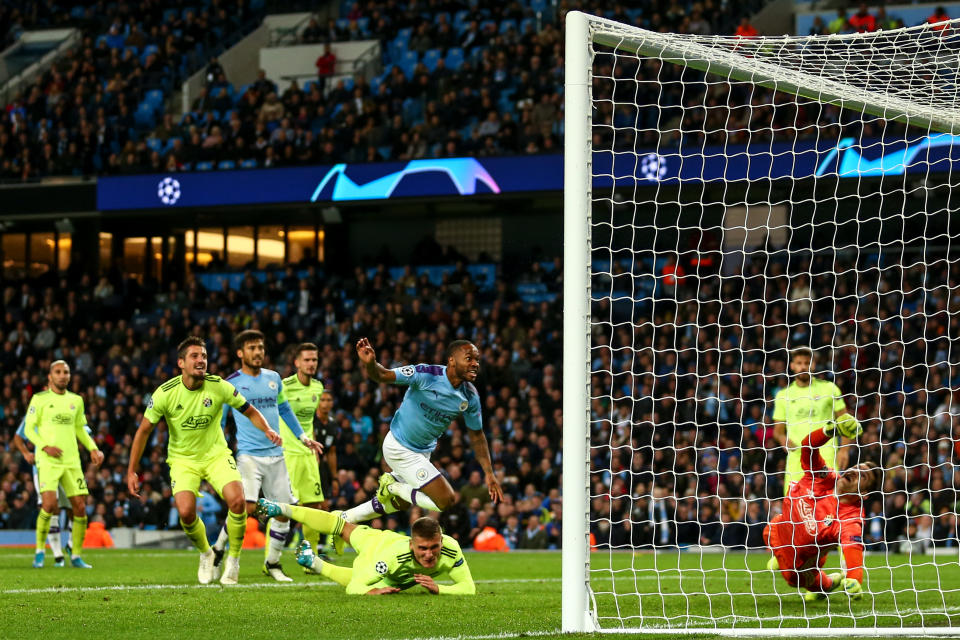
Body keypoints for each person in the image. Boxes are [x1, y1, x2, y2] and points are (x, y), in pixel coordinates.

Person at [127, 336, 282, 585]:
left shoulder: (219, 385)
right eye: (195, 356)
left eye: (204, 356)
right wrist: (132, 471)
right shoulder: (165, 393)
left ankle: (233, 559)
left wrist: (267, 430)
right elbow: (143, 430)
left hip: (216, 455)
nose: (201, 360)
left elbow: (250, 410)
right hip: (183, 460)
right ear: (181, 363)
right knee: (186, 513)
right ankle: (206, 553)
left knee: (238, 501)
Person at [342, 338, 503, 526]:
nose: (475, 364)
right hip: (399, 446)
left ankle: (345, 518)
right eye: (469, 359)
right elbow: (383, 375)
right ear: (451, 360)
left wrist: (489, 473)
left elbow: (477, 435)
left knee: (398, 503)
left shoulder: (470, 397)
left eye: (477, 360)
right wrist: (370, 364)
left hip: (423, 452)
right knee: (446, 500)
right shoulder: (426, 374)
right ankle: (392, 486)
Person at [211, 330, 322, 581]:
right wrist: (219, 449)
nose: (258, 352)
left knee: (283, 511)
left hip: (277, 455)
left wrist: (303, 437)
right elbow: (220, 419)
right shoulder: (231, 383)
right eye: (252, 348)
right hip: (249, 456)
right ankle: (219, 548)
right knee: (246, 508)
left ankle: (272, 563)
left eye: (260, 347)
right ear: (240, 353)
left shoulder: (274, 378)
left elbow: (284, 408)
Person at [256, 498, 476, 595]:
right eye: (422, 549)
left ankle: (312, 561)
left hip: (388, 552)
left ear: (441, 539)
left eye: (434, 547)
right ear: (412, 545)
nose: (429, 554)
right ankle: (282, 509)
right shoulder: (389, 558)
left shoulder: (451, 549)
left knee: (341, 525)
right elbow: (355, 588)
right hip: (377, 546)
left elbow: (468, 587)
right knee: (341, 527)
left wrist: (440, 589)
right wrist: (373, 591)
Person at [764, 419, 880, 601]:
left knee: (794, 579)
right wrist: (828, 431)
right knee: (770, 528)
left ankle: (828, 583)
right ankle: (780, 556)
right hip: (779, 531)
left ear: (863, 493)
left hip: (802, 562)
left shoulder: (850, 518)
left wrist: (854, 578)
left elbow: (852, 548)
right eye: (857, 467)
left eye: (862, 476)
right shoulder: (824, 476)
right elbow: (807, 447)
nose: (855, 471)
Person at [23, 360, 103, 569]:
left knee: (80, 507)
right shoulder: (39, 399)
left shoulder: (76, 400)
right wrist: (44, 445)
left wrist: (93, 448)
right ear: (50, 377)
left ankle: (76, 556)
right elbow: (29, 430)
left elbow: (80, 428)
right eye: (58, 372)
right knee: (49, 505)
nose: (62, 375)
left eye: (66, 372)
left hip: (72, 461)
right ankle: (40, 551)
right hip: (48, 461)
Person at [772, 348, 858, 490]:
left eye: (807, 363)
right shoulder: (783, 395)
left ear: (813, 365)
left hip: (826, 458)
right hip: (796, 462)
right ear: (792, 366)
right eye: (799, 363)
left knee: (827, 506)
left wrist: (844, 450)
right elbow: (778, 431)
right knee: (794, 508)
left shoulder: (830, 389)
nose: (803, 367)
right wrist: (782, 439)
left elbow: (845, 421)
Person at [279, 342, 331, 568]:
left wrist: (315, 451)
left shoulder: (318, 388)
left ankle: (311, 559)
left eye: (315, 360)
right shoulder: (284, 386)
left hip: (308, 456)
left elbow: (310, 422)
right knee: (283, 509)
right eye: (307, 360)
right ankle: (271, 561)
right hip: (287, 454)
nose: (311, 364)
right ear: (297, 362)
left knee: (314, 507)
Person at [14, 417, 90, 566]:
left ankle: (70, 545)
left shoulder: (70, 406)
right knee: (50, 507)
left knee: (76, 507)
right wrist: (26, 453)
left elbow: (84, 431)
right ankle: (57, 556)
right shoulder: (35, 410)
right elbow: (18, 437)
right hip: (44, 468)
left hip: (68, 466)